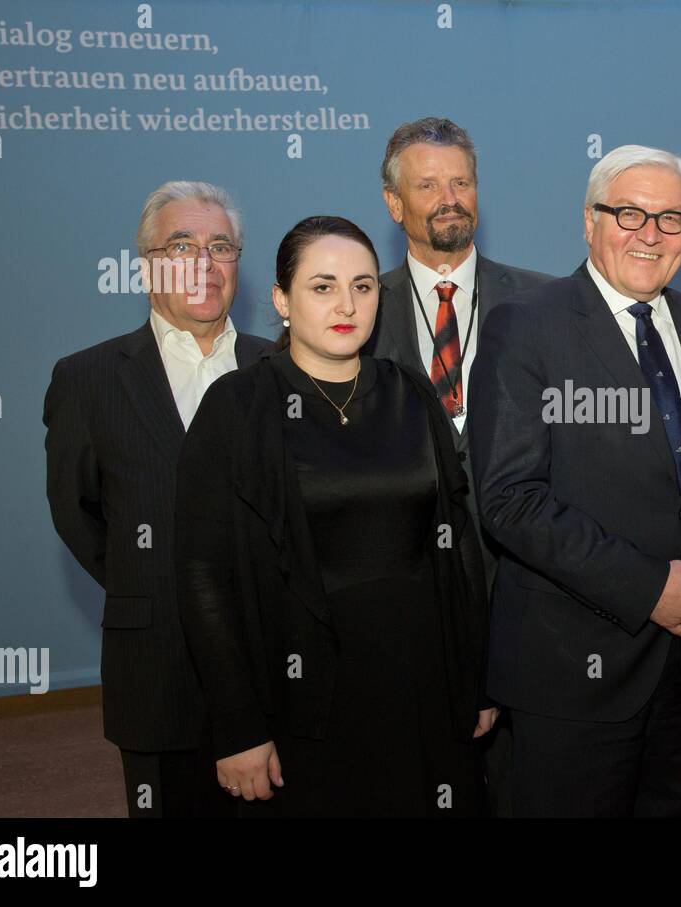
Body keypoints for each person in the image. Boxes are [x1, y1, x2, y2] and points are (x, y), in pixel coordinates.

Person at [469, 145, 681, 817]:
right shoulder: (525, 325)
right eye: (629, 212)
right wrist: (648, 587)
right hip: (573, 674)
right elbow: (509, 498)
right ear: (588, 221)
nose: (650, 233)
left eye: (671, 218)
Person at [174, 216, 494, 816]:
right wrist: (238, 724)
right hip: (300, 691)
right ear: (281, 300)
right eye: (322, 286)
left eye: (364, 286)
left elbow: (458, 548)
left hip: (418, 681)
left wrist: (472, 678)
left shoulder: (409, 392)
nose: (346, 303)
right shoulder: (237, 407)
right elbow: (202, 577)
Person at [43, 180, 274, 817]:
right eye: (182, 246)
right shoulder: (87, 380)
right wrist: (151, 580)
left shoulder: (281, 368)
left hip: (276, 666)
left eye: (220, 246)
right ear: (147, 265)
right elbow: (77, 514)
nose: (204, 263)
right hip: (156, 667)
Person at [369, 117, 551, 815]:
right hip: (409, 605)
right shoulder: (354, 308)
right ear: (394, 204)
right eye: (427, 184)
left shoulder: (543, 302)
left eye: (462, 182)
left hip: (528, 592)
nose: (450, 197)